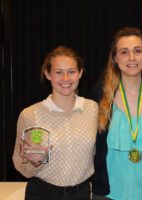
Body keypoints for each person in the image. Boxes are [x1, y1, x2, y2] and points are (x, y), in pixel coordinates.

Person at [12, 45, 99, 200]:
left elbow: (96, 152)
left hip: (81, 194)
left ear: (80, 73)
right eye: (58, 72)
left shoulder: (92, 109)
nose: (65, 79)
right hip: (42, 193)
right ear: (47, 74)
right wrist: (34, 163)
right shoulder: (30, 114)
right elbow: (20, 165)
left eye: (71, 72)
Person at [90, 27, 142, 200]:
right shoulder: (100, 93)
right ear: (115, 58)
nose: (131, 57)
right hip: (109, 193)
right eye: (124, 52)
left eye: (137, 51)